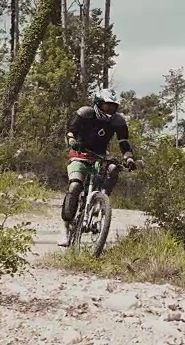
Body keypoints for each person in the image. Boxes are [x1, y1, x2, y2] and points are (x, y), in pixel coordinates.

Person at [58, 88, 138, 247]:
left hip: (100, 156)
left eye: (113, 107)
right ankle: (65, 228)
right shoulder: (85, 113)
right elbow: (71, 131)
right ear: (98, 104)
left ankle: (100, 201)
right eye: (107, 106)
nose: (110, 110)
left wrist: (129, 158)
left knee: (114, 169)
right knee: (74, 186)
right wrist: (72, 141)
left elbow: (123, 142)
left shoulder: (118, 121)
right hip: (79, 154)